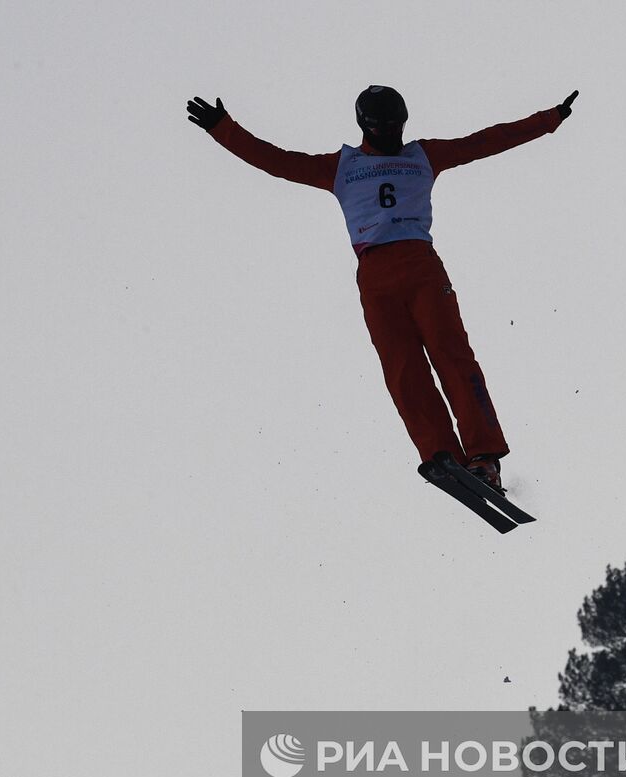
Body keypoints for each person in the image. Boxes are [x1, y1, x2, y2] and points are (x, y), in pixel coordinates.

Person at [185, 85, 577, 492]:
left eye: (398, 126)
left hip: (421, 266)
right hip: (375, 276)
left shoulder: (422, 156)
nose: (394, 134)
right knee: (403, 370)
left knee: (452, 355)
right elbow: (278, 161)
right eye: (385, 128)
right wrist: (223, 129)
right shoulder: (342, 166)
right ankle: (441, 454)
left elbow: (484, 141)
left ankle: (484, 457)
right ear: (366, 127)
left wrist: (547, 121)